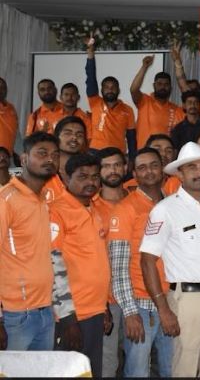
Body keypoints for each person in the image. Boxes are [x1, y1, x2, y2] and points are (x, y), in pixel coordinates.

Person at [139, 142, 200, 377]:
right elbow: (147, 260)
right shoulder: (165, 210)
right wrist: (164, 309)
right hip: (187, 300)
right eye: (192, 167)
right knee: (185, 369)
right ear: (179, 174)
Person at [108, 147, 172, 377]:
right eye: (142, 168)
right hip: (141, 305)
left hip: (172, 301)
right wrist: (130, 312)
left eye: (154, 165)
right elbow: (117, 267)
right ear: (133, 174)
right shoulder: (125, 209)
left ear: (163, 169)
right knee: (138, 372)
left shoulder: (173, 203)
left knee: (172, 369)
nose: (149, 171)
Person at [50, 153, 112, 376]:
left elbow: (97, 263)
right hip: (71, 315)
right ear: (67, 178)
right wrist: (67, 319)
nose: (91, 182)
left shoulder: (95, 209)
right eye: (83, 176)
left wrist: (104, 306)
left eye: (95, 176)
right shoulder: (56, 211)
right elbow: (51, 264)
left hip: (94, 311)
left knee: (89, 372)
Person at [0, 132, 62, 351]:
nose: (50, 159)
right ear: (24, 159)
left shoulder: (43, 198)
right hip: (15, 315)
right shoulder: (6, 199)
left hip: (45, 310)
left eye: (55, 155)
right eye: (42, 153)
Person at [94, 147, 129, 378]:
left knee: (139, 358)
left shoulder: (137, 200)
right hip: (106, 297)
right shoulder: (90, 206)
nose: (112, 170)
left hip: (139, 293)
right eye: (106, 166)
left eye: (116, 164)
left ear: (125, 167)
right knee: (108, 360)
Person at [85, 38, 137, 157]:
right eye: (107, 87)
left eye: (113, 87)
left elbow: (131, 137)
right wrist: (90, 55)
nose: (110, 90)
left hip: (117, 153)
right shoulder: (95, 102)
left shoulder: (128, 110)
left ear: (118, 90)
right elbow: (91, 78)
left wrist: (132, 159)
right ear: (101, 90)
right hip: (95, 152)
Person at [130, 55, 184, 149]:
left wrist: (178, 63)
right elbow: (134, 89)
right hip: (145, 153)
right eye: (159, 84)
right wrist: (144, 67)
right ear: (154, 86)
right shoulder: (144, 101)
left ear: (171, 88)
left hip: (166, 155)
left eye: (166, 84)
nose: (163, 87)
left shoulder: (176, 110)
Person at [44, 116, 88, 204]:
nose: (74, 138)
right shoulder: (43, 169)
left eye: (79, 135)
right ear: (56, 137)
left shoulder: (89, 170)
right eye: (68, 133)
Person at [0, 77, 18, 157]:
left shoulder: (11, 108)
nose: (0, 90)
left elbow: (15, 132)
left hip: (8, 155)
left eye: (3, 87)